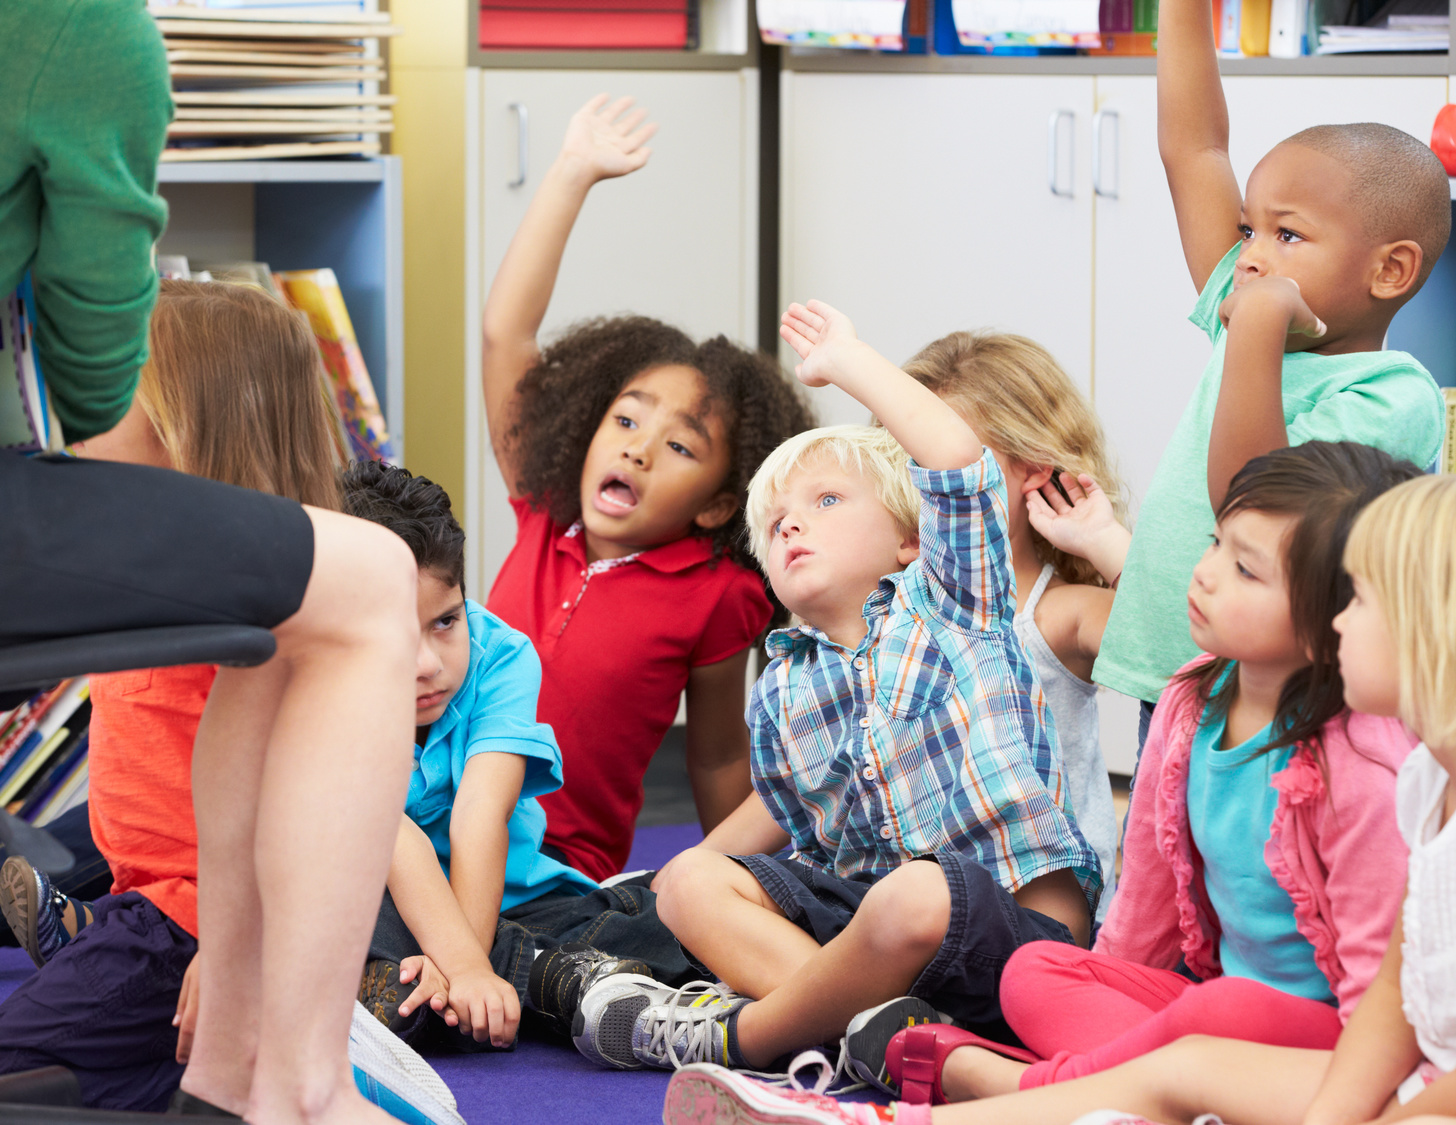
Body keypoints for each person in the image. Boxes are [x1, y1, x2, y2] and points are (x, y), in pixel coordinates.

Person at [665, 473, 1456, 1125]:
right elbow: (1397, 998)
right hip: (1439, 1093)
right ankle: (884, 1121)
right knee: (1184, 1066)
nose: (1337, 625)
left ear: (1441, 634)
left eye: (1360, 602)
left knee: (1199, 1070)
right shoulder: (1442, 774)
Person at [2, 7, 420, 1122]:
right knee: (361, 583)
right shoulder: (71, 29)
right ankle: (291, 1079)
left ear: (188, 427)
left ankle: (246, 1053)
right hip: (151, 907)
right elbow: (95, 367)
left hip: (169, 917)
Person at [572, 300, 1100, 1083]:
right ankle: (882, 1039)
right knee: (690, 880)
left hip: (1014, 929)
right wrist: (653, 893)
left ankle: (745, 1038)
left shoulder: (955, 603)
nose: (790, 525)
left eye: (825, 502)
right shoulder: (783, 682)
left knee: (915, 893)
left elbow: (957, 463)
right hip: (876, 938)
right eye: (775, 519)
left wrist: (850, 362)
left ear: (910, 538)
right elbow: (802, 843)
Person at [879, 442, 1420, 1105]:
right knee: (1031, 970)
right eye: (1217, 543)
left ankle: (1022, 1088)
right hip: (1204, 1008)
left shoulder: (1360, 765)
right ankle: (1157, 1094)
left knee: (1218, 1013)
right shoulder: (1190, 698)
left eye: (1246, 570)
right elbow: (1144, 907)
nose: (1206, 573)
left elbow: (1383, 994)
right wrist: (1101, 984)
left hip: (1333, 1035)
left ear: (1327, 621)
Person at [0, 280, 393, 1115]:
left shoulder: (270, 618)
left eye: (105, 396)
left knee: (19, 1052)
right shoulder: (140, 567)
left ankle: (203, 1065)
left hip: (178, 924)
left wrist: (230, 947)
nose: (70, 418)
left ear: (183, 433)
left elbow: (306, 815)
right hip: (138, 879)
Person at [1091, 0, 1450, 737]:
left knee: (1259, 852)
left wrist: (1253, 324)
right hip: (1179, 670)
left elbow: (1251, 503)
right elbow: (1195, 151)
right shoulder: (1253, 302)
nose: (1250, 252)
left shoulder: (1391, 393)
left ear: (1390, 271)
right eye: (1250, 228)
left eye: (1287, 234)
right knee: (1164, 846)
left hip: (1288, 693)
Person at [480, 94, 815, 883]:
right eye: (626, 420)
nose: (637, 448)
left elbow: (720, 753)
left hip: (560, 866)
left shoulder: (718, 593)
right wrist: (571, 173)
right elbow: (507, 334)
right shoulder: (543, 513)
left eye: (676, 445)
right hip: (442, 824)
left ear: (716, 504)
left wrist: (729, 879)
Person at [343, 462, 697, 1051]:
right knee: (331, 922)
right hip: (377, 897)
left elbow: (481, 809)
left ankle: (430, 988)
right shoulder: (321, 679)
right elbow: (390, 835)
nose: (427, 664)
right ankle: (538, 979)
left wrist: (465, 964)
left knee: (652, 928)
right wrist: (464, 965)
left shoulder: (503, 656)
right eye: (394, 637)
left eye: (445, 622)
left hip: (514, 900)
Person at [902, 332, 1129, 904]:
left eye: (942, 459)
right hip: (911, 901)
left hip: (1039, 910)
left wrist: (1104, 541)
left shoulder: (1058, 615)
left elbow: (1183, 642)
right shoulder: (890, 610)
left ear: (1030, 467)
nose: (927, 482)